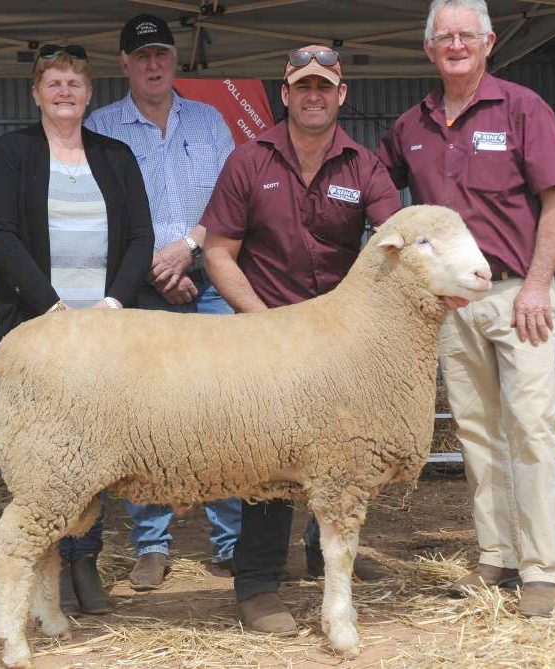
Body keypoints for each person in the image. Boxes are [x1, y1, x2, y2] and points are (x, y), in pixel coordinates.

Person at [377, 0, 555, 617]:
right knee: (476, 432)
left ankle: (541, 566)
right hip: (451, 305)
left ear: (489, 43)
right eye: (444, 37)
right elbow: (379, 199)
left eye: (467, 35)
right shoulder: (411, 125)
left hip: (519, 295)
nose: (456, 45)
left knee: (532, 428)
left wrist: (539, 284)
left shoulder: (522, 108)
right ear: (429, 50)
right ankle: (498, 553)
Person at [202, 44, 403, 635]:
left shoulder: (364, 166)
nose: (313, 96)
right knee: (269, 463)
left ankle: (326, 556)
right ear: (285, 95)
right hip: (264, 331)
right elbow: (218, 251)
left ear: (341, 95)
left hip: (338, 343)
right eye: (302, 87)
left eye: (325, 87)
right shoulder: (248, 161)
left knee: (341, 455)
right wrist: (263, 321)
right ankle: (258, 583)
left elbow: (394, 240)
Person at [0, 44, 154, 614]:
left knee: (98, 450)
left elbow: (139, 238)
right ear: (36, 93)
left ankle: (85, 563)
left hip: (104, 331)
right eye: (53, 84)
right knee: (46, 457)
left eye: (74, 85)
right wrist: (50, 308)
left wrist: (112, 302)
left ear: (89, 95)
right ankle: (44, 568)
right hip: (40, 329)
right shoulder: (14, 153)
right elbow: (1, 234)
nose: (63, 93)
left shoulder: (115, 155)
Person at [83, 14, 242, 591]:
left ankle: (232, 543)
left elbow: (231, 201)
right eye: (141, 55)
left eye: (162, 54)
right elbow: (105, 211)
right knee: (146, 417)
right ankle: (151, 544)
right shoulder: (102, 126)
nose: (153, 64)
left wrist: (191, 250)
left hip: (211, 276)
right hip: (142, 284)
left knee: (227, 410)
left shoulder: (210, 121)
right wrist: (157, 265)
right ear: (123, 64)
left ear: (176, 60)